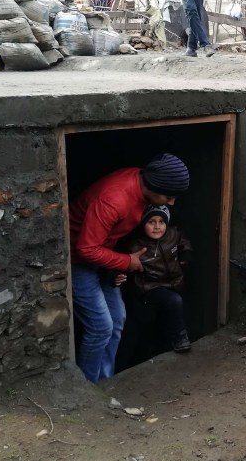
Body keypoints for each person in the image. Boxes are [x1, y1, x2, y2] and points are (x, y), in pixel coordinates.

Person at [68, 154, 190, 382]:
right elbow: (86, 248)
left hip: (104, 258)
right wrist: (126, 262)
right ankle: (88, 387)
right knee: (100, 326)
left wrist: (115, 266)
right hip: (78, 261)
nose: (171, 203)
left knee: (116, 319)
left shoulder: (142, 184)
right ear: (154, 186)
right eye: (168, 196)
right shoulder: (113, 200)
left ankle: (106, 380)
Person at [115, 204, 193, 370]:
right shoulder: (136, 245)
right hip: (149, 288)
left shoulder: (173, 234)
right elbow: (120, 261)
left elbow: (183, 242)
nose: (157, 226)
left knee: (169, 313)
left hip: (173, 283)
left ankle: (164, 350)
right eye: (151, 221)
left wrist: (185, 257)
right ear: (143, 223)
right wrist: (116, 276)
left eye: (161, 222)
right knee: (171, 303)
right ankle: (180, 338)